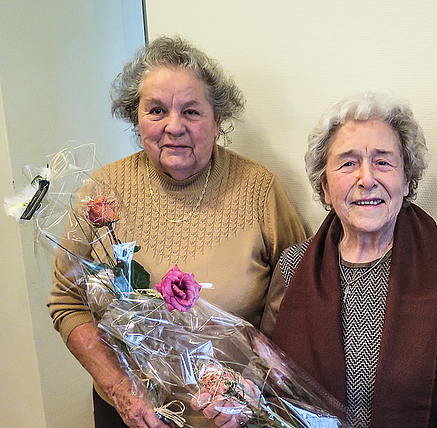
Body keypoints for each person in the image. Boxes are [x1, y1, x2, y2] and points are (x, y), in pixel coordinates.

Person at [47, 36, 306, 428]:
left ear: (218, 120)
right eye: (156, 110)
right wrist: (122, 390)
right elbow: (68, 301)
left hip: (235, 415)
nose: (174, 126)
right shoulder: (102, 193)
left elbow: (299, 299)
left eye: (191, 111)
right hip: (130, 415)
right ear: (135, 117)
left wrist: (253, 383)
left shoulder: (260, 190)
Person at [268, 92, 437, 428]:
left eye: (383, 162)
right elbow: (269, 375)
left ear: (407, 179)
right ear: (326, 187)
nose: (367, 179)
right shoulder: (292, 267)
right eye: (348, 163)